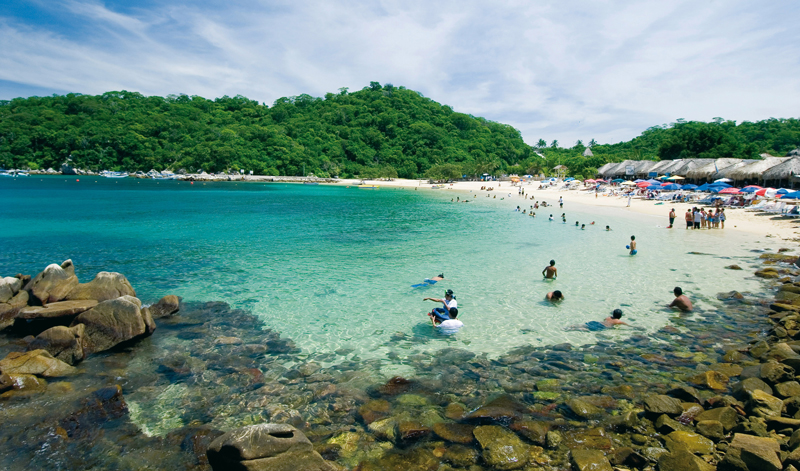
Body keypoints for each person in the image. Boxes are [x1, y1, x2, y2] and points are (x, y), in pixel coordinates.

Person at [566, 309, 631, 331]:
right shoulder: (618, 321)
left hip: (597, 323)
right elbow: (627, 325)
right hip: (601, 327)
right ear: (620, 316)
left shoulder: (608, 317)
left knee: (585, 325)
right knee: (587, 329)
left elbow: (604, 320)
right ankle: (572, 329)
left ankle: (571, 326)